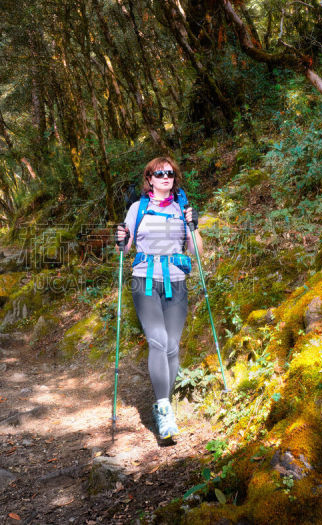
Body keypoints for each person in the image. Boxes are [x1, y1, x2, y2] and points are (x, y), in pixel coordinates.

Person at [116, 156, 201, 439]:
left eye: (170, 174)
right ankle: (164, 410)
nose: (165, 177)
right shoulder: (137, 208)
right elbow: (124, 249)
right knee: (158, 340)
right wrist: (119, 239)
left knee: (173, 347)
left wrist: (194, 226)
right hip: (145, 280)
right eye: (159, 173)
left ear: (174, 179)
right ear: (149, 179)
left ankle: (163, 399)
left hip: (176, 281)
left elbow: (198, 251)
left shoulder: (182, 209)